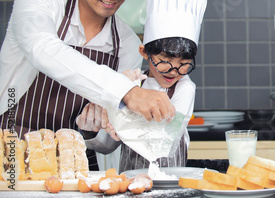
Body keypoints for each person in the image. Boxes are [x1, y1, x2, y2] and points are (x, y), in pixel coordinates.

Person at [0, 0, 176, 171]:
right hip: (11, 146)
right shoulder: (39, 4)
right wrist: (127, 92)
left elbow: (108, 144)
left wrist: (92, 131)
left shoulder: (127, 44)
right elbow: (41, 48)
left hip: (74, 162)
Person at [80, 0, 207, 172]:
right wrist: (95, 126)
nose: (173, 71)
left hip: (169, 182)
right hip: (130, 182)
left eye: (184, 63)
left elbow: (166, 139)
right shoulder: (133, 84)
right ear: (144, 53)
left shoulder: (184, 88)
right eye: (165, 61)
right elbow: (106, 146)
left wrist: (122, 120)